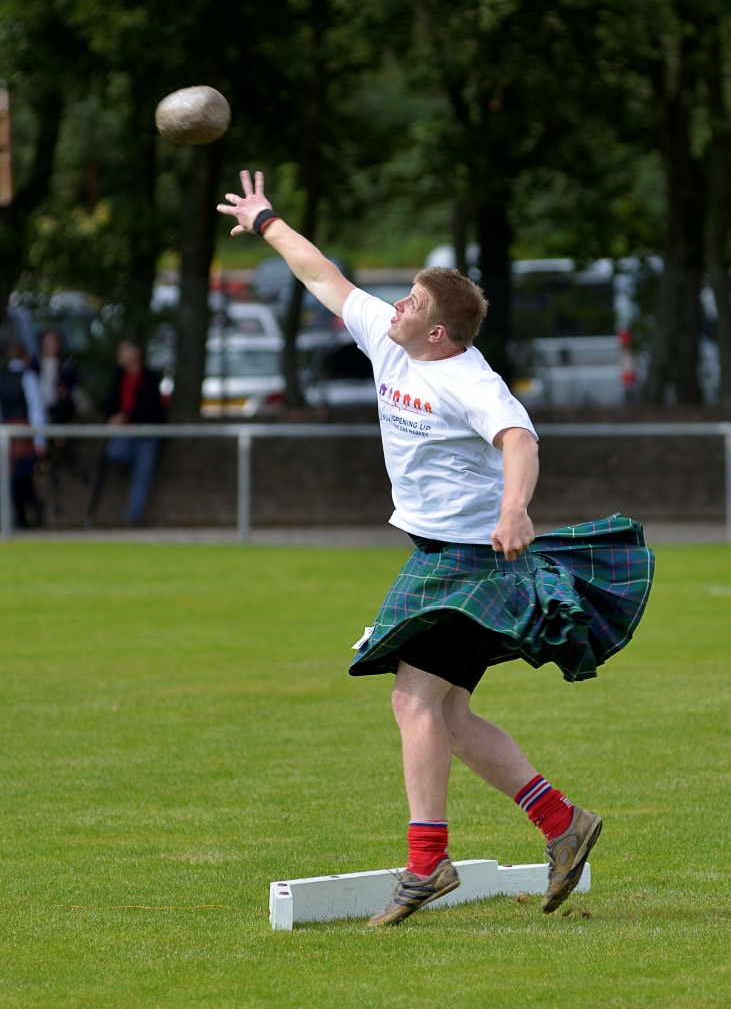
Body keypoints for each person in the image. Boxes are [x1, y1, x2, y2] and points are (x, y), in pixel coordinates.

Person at [218, 171, 655, 926]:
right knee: (444, 716)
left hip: (473, 560)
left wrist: (514, 507)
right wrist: (265, 221)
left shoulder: (468, 379)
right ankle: (562, 825)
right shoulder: (390, 342)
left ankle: (426, 866)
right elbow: (323, 275)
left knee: (411, 698)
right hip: (440, 556)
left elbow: (518, 439)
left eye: (412, 302)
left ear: (439, 332)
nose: (397, 306)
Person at [91, 340, 163, 525]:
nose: (119, 356)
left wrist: (126, 415)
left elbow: (151, 407)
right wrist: (113, 418)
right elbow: (110, 403)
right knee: (115, 453)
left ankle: (131, 519)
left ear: (135, 353)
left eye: (123, 351)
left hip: (146, 433)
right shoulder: (119, 377)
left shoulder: (149, 377)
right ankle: (139, 461)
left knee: (143, 475)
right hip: (125, 432)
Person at [0, 340, 47, 527]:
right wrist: (40, 439)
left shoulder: (3, 378)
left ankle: (26, 515)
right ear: (25, 358)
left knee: (19, 475)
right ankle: (27, 513)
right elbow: (36, 409)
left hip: (9, 433)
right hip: (23, 432)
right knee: (18, 475)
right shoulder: (28, 377)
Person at [37, 330, 78, 424]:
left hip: (60, 406)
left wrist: (65, 390)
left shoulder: (67, 363)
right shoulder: (35, 363)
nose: (52, 345)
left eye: (54, 342)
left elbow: (73, 384)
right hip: (41, 404)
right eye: (48, 342)